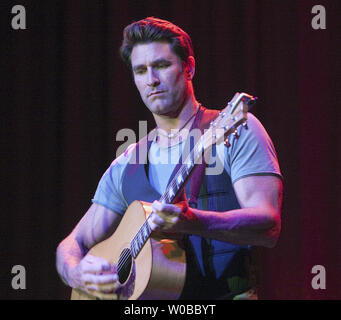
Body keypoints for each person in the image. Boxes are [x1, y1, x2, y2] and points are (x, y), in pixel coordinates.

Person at [56, 17, 283, 300]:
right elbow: (72, 243)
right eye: (140, 70)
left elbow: (268, 225)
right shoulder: (127, 163)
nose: (151, 80)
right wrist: (75, 272)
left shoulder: (235, 129)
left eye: (162, 65)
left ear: (188, 68)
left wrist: (195, 222)